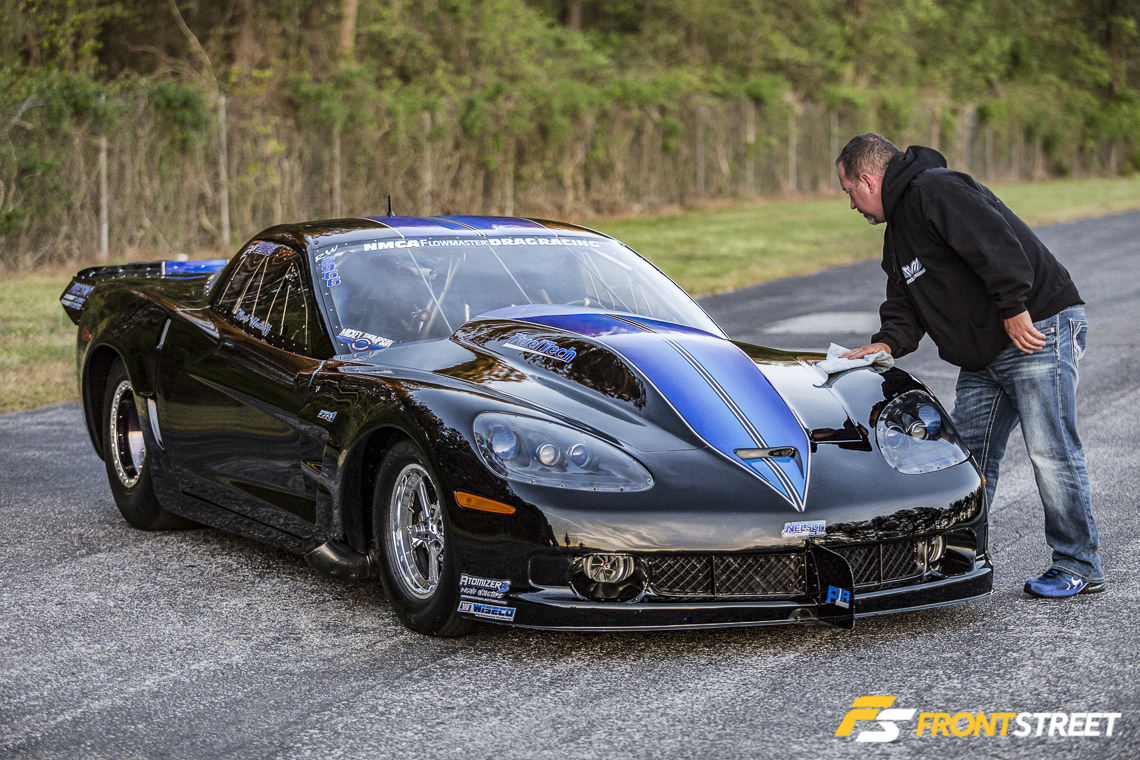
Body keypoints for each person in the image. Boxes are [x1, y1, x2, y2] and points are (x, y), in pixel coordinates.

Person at [835, 132, 1104, 598]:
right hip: (985, 353)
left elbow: (996, 243)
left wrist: (1015, 305)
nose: (851, 205)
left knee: (1051, 452)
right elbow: (904, 306)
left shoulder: (935, 189)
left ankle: (1079, 564)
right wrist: (883, 344)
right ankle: (955, 560)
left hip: (1035, 327)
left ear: (867, 178)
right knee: (966, 460)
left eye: (849, 192)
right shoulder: (897, 238)